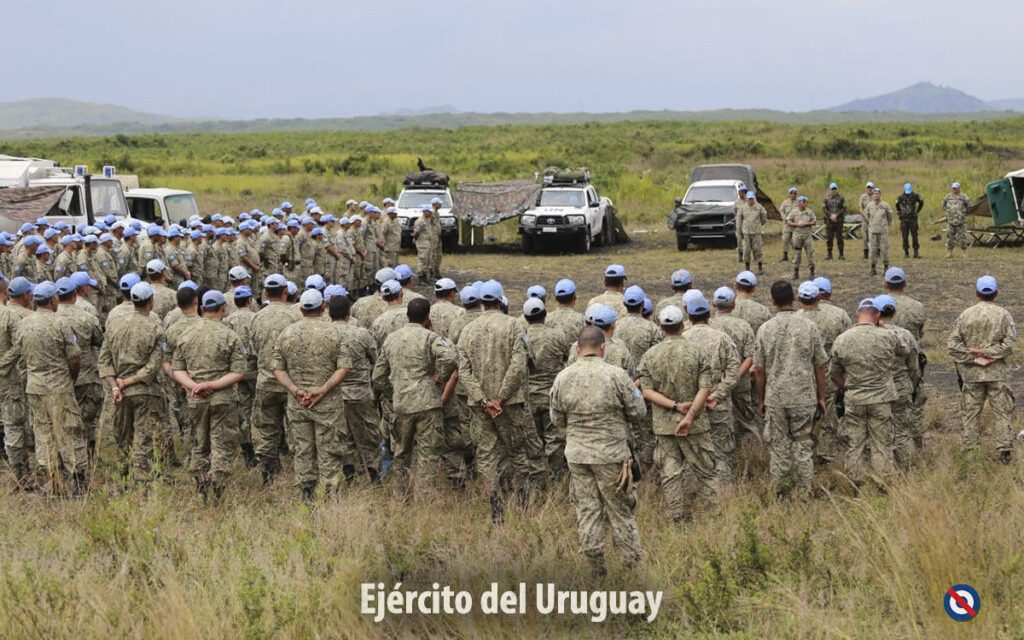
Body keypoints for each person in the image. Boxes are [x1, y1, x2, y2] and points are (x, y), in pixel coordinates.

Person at [552, 325, 647, 576]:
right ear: (602, 348)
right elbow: (639, 412)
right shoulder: (616, 375)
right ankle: (631, 565)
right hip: (611, 455)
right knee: (620, 510)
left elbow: (557, 420)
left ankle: (596, 568)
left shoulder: (563, 378)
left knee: (587, 509)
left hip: (578, 456)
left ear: (577, 348)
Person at [457, 280, 544, 522]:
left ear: (483, 302)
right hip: (511, 404)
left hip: (481, 407)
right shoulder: (515, 326)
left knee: (486, 455)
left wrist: (484, 399)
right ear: (500, 300)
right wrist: (502, 398)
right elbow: (520, 365)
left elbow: (463, 371)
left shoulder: (468, 330)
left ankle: (496, 506)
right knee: (517, 451)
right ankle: (523, 502)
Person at [0, 282, 86, 495]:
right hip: (60, 387)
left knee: (43, 432)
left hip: (35, 388)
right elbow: (74, 358)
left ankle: (51, 478)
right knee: (69, 430)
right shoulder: (61, 324)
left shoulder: (25, 324)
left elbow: (14, 354)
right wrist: (71, 379)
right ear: (52, 300)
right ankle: (76, 481)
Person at [638, 305, 717, 519]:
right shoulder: (698, 351)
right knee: (707, 472)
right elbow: (705, 388)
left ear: (661, 327)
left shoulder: (650, 355)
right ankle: (714, 516)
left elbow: (646, 392)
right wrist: (690, 415)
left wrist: (674, 406)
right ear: (683, 325)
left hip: (665, 426)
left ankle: (677, 517)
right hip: (696, 423)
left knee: (670, 473)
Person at [373, 298, 457, 497]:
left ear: (407, 315)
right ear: (428, 317)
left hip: (401, 403)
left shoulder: (392, 339)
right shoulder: (430, 337)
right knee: (428, 453)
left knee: (402, 452)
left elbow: (377, 376)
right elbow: (451, 357)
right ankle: (425, 496)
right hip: (427, 403)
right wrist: (439, 378)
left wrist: (391, 393)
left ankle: (400, 494)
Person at [272, 289, 351, 500]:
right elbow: (344, 367)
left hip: (298, 404)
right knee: (329, 451)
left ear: (300, 309)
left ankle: (306, 497)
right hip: (328, 405)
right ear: (323, 307)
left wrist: (296, 390)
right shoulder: (335, 333)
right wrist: (323, 390)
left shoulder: (286, 333)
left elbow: (277, 369)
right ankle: (329, 496)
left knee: (302, 450)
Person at [170, 290, 247, 501]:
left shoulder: (186, 334)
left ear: (203, 308)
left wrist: (195, 386)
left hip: (196, 399)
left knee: (199, 442)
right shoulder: (230, 335)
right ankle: (218, 487)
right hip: (223, 398)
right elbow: (239, 371)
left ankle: (201, 483)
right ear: (223, 309)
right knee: (221, 443)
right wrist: (213, 384)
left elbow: (177, 370)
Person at [752, 281, 827, 497]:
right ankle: (803, 493)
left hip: (775, 397)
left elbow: (759, 370)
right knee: (803, 446)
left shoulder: (765, 329)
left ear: (773, 301)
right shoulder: (809, 327)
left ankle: (780, 492)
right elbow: (819, 365)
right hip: (804, 395)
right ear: (794, 298)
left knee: (779, 447)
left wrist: (761, 399)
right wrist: (821, 397)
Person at [831, 298, 909, 487]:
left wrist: (847, 386)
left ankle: (855, 481)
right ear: (877, 316)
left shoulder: (843, 339)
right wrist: (882, 327)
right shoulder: (887, 336)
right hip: (881, 398)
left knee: (855, 443)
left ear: (858, 314)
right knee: (881, 442)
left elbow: (834, 373)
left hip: (855, 397)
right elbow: (904, 352)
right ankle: (882, 481)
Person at [98, 282, 166, 482]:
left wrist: (115, 386)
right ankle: (142, 480)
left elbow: (104, 360)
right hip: (145, 391)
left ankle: (123, 476)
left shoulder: (115, 324)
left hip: (120, 391)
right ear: (151, 301)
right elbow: (153, 367)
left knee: (123, 436)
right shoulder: (155, 326)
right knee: (143, 438)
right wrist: (128, 382)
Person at [948, 276, 1017, 463]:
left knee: (970, 414)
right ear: (996, 293)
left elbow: (953, 346)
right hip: (997, 374)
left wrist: (975, 357)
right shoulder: (1004, 315)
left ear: (977, 293)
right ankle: (1004, 451)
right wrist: (989, 353)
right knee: (1001, 412)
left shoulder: (965, 315)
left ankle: (971, 451)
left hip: (972, 375)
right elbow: (1009, 344)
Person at [679, 292, 741, 485]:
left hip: (688, 408)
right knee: (721, 454)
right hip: (718, 407)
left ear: (688, 315)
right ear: (709, 314)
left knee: (692, 454)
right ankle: (725, 498)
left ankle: (694, 493)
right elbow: (733, 372)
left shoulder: (681, 340)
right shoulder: (722, 339)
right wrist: (716, 396)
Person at [250, 274, 301, 482]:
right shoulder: (294, 316)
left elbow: (253, 351)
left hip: (265, 382)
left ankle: (268, 473)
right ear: (285, 292)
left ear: (265, 292)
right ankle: (301, 472)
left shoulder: (256, 317)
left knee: (268, 431)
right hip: (291, 384)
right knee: (297, 429)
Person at [795, 280, 852, 464]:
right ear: (826, 294)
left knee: (804, 414)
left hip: (803, 375)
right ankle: (826, 453)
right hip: (829, 373)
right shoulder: (839, 315)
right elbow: (847, 344)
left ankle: (805, 454)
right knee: (828, 413)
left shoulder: (796, 318)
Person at [328, 295, 382, 483]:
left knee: (341, 434)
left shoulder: (325, 334)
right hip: (360, 393)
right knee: (368, 434)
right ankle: (373, 471)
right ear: (349, 313)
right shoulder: (361, 334)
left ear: (329, 312)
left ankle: (348, 469)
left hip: (332, 394)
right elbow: (376, 361)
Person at [522, 297, 573, 474]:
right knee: (555, 440)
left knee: (532, 439)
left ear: (526, 317)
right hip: (552, 395)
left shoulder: (522, 336)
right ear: (545, 314)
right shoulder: (557, 335)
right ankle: (556, 475)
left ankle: (536, 477)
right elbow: (567, 360)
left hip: (529, 396)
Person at [55, 277, 104, 459]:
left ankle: (65, 457)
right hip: (85, 376)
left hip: (60, 378)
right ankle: (88, 456)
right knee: (88, 418)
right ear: (74, 294)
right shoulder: (87, 317)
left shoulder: (51, 318)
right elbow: (99, 341)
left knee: (61, 419)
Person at [882, 267, 927, 447]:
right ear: (905, 284)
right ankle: (916, 441)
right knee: (914, 401)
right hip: (910, 362)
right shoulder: (917, 306)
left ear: (885, 284)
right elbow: (920, 332)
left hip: (884, 363)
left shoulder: (879, 305)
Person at [875, 295, 920, 470]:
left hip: (878, 389)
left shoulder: (871, 334)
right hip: (901, 388)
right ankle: (905, 470)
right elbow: (914, 367)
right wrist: (913, 386)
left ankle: (882, 470)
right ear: (894, 312)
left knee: (879, 433)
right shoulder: (905, 335)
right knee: (902, 432)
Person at [708, 286, 757, 450]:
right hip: (740, 383)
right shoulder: (744, 326)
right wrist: (736, 377)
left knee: (718, 424)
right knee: (747, 421)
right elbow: (750, 357)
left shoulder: (709, 326)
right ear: (734, 305)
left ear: (714, 304)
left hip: (714, 385)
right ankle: (752, 456)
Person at [0, 277, 35, 487]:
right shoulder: (9, 316)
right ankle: (20, 475)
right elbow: (19, 345)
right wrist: (4, 365)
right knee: (14, 424)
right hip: (8, 378)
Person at [224, 285, 259, 468]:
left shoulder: (227, 320)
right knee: (259, 408)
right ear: (250, 300)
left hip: (236, 372)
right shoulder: (256, 318)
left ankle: (247, 445)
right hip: (254, 370)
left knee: (243, 409)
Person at [865, 188, 894, 276]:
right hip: (873, 231)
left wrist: (885, 225)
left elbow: (890, 217)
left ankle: (886, 268)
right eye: (874, 194)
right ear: (872, 195)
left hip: (883, 231)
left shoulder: (885, 205)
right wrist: (871, 224)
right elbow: (867, 215)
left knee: (884, 249)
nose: (876, 195)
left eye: (877, 193)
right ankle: (873, 268)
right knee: (872, 250)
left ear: (880, 195)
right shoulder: (870, 205)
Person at [737, 191, 767, 274]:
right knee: (746, 250)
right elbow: (739, 219)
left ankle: (760, 267)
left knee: (758, 249)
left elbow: (764, 218)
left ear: (754, 199)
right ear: (747, 199)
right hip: (746, 232)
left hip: (756, 232)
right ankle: (747, 268)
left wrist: (758, 225)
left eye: (752, 199)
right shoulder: (743, 208)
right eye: (749, 199)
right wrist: (740, 231)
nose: (750, 200)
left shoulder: (759, 207)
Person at [787, 195, 817, 279]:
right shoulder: (794, 212)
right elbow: (788, 221)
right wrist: (797, 224)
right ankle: (796, 272)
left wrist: (806, 223)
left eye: (806, 202)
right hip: (797, 235)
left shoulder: (809, 211)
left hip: (807, 235)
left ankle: (812, 272)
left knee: (810, 254)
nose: (805, 203)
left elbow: (814, 221)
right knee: (797, 255)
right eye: (803, 202)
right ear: (799, 203)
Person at [941, 182, 971, 258]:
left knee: (962, 238)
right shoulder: (948, 197)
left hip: (961, 221)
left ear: (959, 188)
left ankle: (964, 252)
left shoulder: (964, 197)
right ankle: (949, 253)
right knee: (950, 237)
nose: (954, 189)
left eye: (955, 188)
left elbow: (969, 206)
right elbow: (943, 205)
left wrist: (962, 213)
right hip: (951, 221)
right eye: (953, 188)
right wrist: (949, 212)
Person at [895, 183, 924, 259]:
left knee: (915, 236)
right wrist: (899, 212)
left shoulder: (915, 196)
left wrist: (917, 211)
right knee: (904, 236)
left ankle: (916, 252)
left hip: (913, 219)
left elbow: (921, 202)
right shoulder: (900, 197)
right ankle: (906, 252)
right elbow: (897, 204)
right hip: (904, 219)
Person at [413, 204, 440, 281]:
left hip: (428, 243)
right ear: (425, 212)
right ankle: (421, 277)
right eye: (429, 212)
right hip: (422, 243)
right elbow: (416, 233)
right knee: (422, 260)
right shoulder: (419, 221)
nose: (431, 213)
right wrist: (415, 239)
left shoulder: (427, 220)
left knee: (428, 260)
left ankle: (425, 277)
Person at [822, 182, 847, 260]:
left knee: (840, 238)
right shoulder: (826, 198)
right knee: (829, 238)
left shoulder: (841, 198)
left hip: (839, 221)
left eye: (835, 189)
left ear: (837, 189)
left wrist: (837, 215)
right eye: (832, 189)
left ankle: (841, 254)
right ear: (830, 190)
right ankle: (829, 254)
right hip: (829, 221)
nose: (834, 191)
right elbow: (824, 208)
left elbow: (844, 208)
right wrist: (830, 215)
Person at [778, 187, 798, 262]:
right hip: (786, 225)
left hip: (795, 224)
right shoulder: (785, 202)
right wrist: (785, 218)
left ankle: (796, 256)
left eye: (794, 193)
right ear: (789, 194)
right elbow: (781, 211)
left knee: (795, 241)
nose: (793, 195)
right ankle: (785, 255)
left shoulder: (798, 202)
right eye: (791, 193)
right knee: (785, 240)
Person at [858, 181, 876, 260]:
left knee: (874, 236)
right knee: (865, 237)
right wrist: (866, 217)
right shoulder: (863, 197)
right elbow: (861, 208)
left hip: (874, 220)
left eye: (870, 187)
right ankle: (866, 252)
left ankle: (875, 252)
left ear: (873, 188)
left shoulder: (876, 196)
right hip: (865, 220)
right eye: (868, 187)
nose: (869, 189)